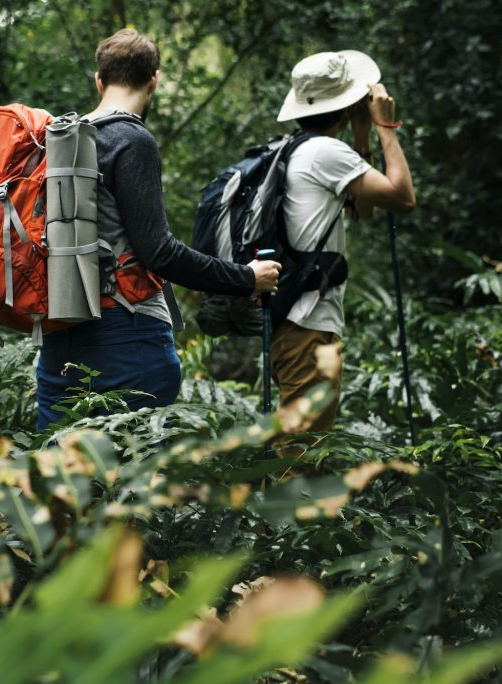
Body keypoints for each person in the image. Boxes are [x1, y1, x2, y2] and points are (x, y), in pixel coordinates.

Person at [35, 29, 281, 430]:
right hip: (126, 334)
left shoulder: (61, 138)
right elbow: (159, 252)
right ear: (154, 80)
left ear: (99, 80)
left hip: (58, 332)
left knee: (65, 478)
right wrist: (245, 278)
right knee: (137, 478)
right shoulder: (132, 140)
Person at [272, 50, 415, 431]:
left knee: (306, 449)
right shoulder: (325, 152)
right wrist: (387, 126)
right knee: (302, 456)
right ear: (346, 103)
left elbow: (362, 210)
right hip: (308, 325)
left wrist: (362, 136)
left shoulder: (299, 148)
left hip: (300, 322)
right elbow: (402, 197)